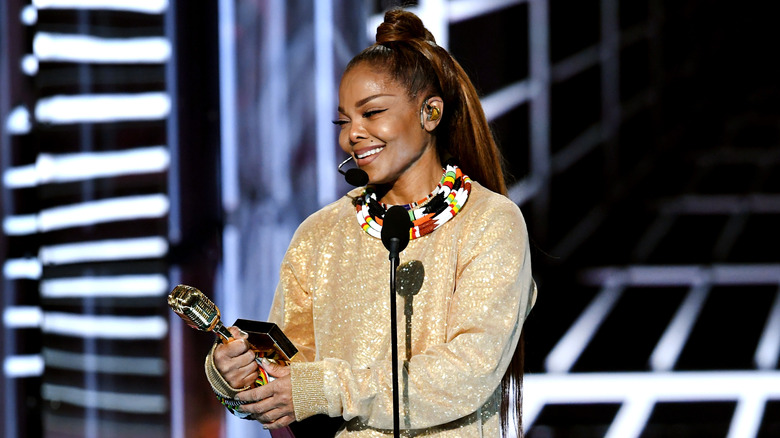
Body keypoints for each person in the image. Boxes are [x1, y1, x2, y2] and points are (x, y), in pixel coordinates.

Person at [206, 8, 536, 437]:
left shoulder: (491, 222)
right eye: (344, 121)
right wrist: (237, 373)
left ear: (430, 113)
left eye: (372, 113)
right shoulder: (320, 235)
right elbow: (290, 377)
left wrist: (328, 388)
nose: (352, 134)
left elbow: (469, 371)